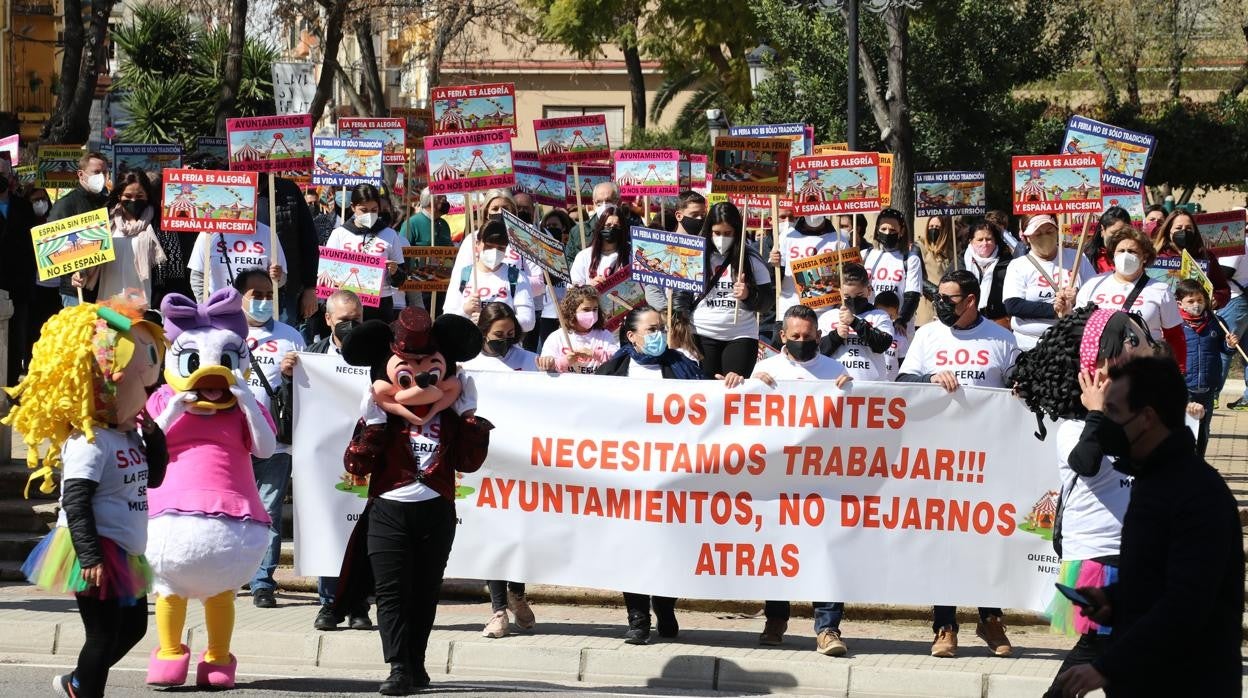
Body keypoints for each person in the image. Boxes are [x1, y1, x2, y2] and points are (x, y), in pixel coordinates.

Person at [1052, 357, 1244, 698]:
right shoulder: (1151, 479)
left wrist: (1104, 668)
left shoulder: (1198, 494)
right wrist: (1112, 600)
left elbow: (1185, 605)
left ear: (1147, 418)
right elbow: (1154, 582)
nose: (1101, 423)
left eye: (1111, 412)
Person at [10, 297, 167, 698]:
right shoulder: (88, 443)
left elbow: (155, 479)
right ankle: (85, 688)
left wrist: (154, 438)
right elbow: (75, 502)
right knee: (101, 635)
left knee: (133, 629)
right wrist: (91, 556)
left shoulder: (129, 432)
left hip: (126, 544)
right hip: (96, 549)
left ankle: (77, 682)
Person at [335, 307, 491, 695]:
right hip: (388, 509)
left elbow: (469, 463)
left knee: (424, 590)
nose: (419, 383)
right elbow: (356, 463)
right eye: (406, 371)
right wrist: (371, 427)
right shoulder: (382, 419)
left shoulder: (452, 420)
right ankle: (399, 666)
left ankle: (417, 664)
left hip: (436, 509)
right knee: (391, 591)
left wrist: (470, 418)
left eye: (430, 371)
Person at [1012, 306, 1157, 696]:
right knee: (1097, 648)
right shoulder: (1077, 427)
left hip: (1135, 551)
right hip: (1098, 554)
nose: (1145, 347)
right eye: (1132, 340)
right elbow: (1087, 463)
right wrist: (1096, 410)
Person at [898, 269, 1019, 658]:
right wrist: (929, 377)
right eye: (939, 299)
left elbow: (1019, 381)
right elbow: (901, 383)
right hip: (940, 457)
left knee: (985, 540)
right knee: (944, 542)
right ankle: (945, 625)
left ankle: (990, 619)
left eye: (949, 299)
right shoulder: (929, 335)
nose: (941, 306)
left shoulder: (1001, 338)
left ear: (970, 301)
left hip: (989, 456)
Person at [721, 305, 854, 656]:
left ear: (818, 337)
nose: (800, 342)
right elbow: (745, 417)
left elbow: (856, 421)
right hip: (777, 479)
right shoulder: (765, 369)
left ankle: (827, 628)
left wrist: (853, 392)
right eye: (794, 337)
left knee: (827, 553)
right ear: (782, 336)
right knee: (778, 549)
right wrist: (745, 385)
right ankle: (776, 619)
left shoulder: (835, 370)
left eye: (807, 337)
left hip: (822, 479)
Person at [596, 307, 702, 644]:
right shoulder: (614, 371)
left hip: (672, 476)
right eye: (652, 328)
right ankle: (638, 619)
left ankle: (665, 606)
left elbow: (708, 408)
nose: (659, 333)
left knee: (669, 546)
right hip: (627, 478)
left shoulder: (685, 367)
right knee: (632, 548)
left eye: (662, 327)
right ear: (632, 336)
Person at [284, 290, 373, 631]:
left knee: (361, 533)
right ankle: (328, 604)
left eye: (357, 321)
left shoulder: (376, 355)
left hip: (364, 457)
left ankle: (359, 606)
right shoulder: (313, 357)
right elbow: (294, 411)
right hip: (324, 462)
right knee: (327, 527)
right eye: (344, 321)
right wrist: (290, 378)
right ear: (328, 320)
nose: (351, 327)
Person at [457, 302, 539, 637]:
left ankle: (517, 593)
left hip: (521, 462)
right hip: (484, 462)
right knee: (493, 534)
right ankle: (498, 610)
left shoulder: (528, 361)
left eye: (509, 335)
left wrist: (552, 367)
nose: (504, 341)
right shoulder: (467, 365)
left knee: (516, 534)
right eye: (497, 336)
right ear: (482, 334)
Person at [229, 269, 308, 610]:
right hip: (231, 440)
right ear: (239, 297)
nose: (263, 301)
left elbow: (309, 388)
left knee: (268, 513)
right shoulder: (226, 334)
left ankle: (263, 580)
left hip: (276, 441)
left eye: (268, 294)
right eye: (255, 295)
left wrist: (294, 373)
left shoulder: (292, 336)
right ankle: (230, 576)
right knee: (230, 511)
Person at [685, 201, 775, 379]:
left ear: (737, 232)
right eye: (717, 233)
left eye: (728, 233)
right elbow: (681, 295)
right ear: (708, 230)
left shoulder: (751, 260)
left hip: (740, 336)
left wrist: (749, 295)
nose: (721, 238)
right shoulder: (694, 255)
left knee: (734, 394)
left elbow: (767, 302)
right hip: (701, 334)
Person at [1075, 227, 1185, 363]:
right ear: (1113, 255)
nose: (1126, 255)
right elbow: (1078, 326)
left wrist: (1179, 372)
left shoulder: (1160, 290)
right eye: (1121, 251)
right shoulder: (1092, 285)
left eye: (1132, 251)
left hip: (1144, 370)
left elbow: (1175, 337)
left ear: (1144, 257)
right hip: (1100, 369)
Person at [68, 168, 164, 307]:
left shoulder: (160, 225)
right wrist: (81, 275)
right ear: (119, 196)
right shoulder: (103, 222)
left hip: (145, 311)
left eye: (139, 196)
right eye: (128, 196)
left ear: (147, 195)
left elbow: (173, 273)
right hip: (106, 308)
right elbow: (88, 260)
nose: (133, 200)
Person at [1002, 215, 1095, 350]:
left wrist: (1078, 297)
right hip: (1029, 345)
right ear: (1027, 237)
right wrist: (1053, 309)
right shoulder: (1018, 265)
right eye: (1038, 234)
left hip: (1070, 341)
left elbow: (1095, 294)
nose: (1044, 237)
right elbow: (1013, 305)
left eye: (1049, 232)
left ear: (1057, 232)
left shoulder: (1077, 257)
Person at [324, 183, 407, 322]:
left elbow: (401, 280)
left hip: (380, 305)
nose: (369, 214)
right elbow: (326, 275)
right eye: (363, 210)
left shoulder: (390, 235)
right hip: (347, 307)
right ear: (352, 207)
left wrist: (395, 271)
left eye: (374, 210)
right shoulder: (339, 234)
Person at [1175, 279, 1238, 456]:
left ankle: (1199, 463)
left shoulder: (1216, 322)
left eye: (1200, 300)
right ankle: (1182, 464)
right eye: (1191, 301)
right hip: (1184, 386)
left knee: (1203, 429)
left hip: (1208, 386)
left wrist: (1230, 345)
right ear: (1180, 303)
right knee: (1184, 427)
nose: (1196, 305)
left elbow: (1225, 350)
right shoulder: (1175, 324)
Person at [445, 220, 536, 332]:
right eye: (489, 246)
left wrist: (489, 321)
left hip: (504, 347)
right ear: (477, 245)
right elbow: (447, 319)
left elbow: (528, 322)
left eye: (501, 248)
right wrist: (465, 310)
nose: (495, 251)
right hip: (468, 346)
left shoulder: (517, 277)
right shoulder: (463, 275)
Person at [256, 174, 320, 331]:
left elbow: (309, 241)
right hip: (239, 291)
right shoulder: (230, 188)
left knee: (283, 345)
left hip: (284, 292)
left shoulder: (288, 190)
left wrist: (310, 288)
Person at [817, 262, 895, 381]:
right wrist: (836, 336)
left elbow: (882, 344)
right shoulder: (828, 317)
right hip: (835, 384)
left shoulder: (880, 316)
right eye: (847, 297)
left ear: (868, 290)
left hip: (871, 386)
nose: (853, 300)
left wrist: (855, 322)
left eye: (859, 295)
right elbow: (818, 352)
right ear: (840, 292)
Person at [53, 152, 110, 307]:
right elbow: (53, 248)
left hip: (104, 289)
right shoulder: (66, 204)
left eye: (105, 172)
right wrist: (72, 274)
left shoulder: (108, 203)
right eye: (96, 172)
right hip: (75, 291)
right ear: (81, 174)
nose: (102, 176)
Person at [769, 214, 851, 323]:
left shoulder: (840, 240)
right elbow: (774, 277)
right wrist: (774, 264)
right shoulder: (787, 236)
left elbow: (848, 276)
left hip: (825, 314)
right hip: (789, 310)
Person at [0, 156, 38, 384]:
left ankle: (12, 385)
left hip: (19, 288)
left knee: (16, 341)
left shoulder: (24, 207)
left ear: (11, 177)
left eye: (3, 175)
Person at [187, 221, 286, 302]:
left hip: (257, 312)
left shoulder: (268, 233)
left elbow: (281, 281)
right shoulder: (209, 232)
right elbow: (198, 276)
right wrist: (206, 306)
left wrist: (277, 276)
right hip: (219, 311)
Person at [862, 208, 923, 341]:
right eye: (883, 229)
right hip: (870, 324)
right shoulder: (866, 255)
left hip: (897, 329)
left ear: (901, 231)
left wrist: (901, 320)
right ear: (877, 229)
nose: (887, 233)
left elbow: (912, 295)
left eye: (893, 230)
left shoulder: (910, 259)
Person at [1152, 209, 1230, 308]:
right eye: (1178, 228)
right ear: (1169, 231)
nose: (1184, 231)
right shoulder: (1156, 256)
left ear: (1194, 231)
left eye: (1188, 228)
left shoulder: (1205, 256)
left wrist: (1216, 299)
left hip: (1196, 318)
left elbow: (1223, 289)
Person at [538, 285, 619, 374]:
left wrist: (594, 354)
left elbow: (617, 360)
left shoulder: (605, 335)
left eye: (595, 309)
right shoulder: (557, 337)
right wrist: (565, 361)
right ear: (572, 311)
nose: (591, 313)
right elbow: (547, 368)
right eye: (586, 309)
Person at [461, 302, 540, 372]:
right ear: (484, 332)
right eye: (498, 335)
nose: (505, 339)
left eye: (510, 333)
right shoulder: (466, 361)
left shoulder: (531, 360)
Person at [963, 219, 1013, 323]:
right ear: (971, 241)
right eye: (980, 240)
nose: (985, 243)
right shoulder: (960, 262)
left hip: (999, 321)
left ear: (995, 240)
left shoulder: (1008, 263)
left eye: (989, 239)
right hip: (968, 320)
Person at [537, 210, 575, 345]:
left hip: (566, 312)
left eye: (555, 226)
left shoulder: (570, 252)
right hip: (547, 312)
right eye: (548, 226)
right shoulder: (541, 252)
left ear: (563, 228)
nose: (551, 229)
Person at [570, 206, 629, 286]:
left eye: (616, 226)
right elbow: (573, 288)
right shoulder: (584, 256)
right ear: (600, 227)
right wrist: (590, 287)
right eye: (608, 225)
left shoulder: (631, 255)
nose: (611, 229)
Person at [917, 215, 959, 324]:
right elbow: (917, 277)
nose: (933, 229)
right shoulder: (920, 247)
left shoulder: (953, 251)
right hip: (926, 306)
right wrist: (938, 293)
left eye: (937, 227)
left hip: (947, 309)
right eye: (931, 226)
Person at [1082, 206, 1132, 274]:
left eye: (1123, 233)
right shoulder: (1085, 257)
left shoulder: (1134, 255)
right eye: (1113, 233)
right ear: (1102, 230)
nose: (1118, 237)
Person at [873, 290, 906, 377]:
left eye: (890, 316)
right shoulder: (866, 332)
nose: (886, 320)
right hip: (872, 383)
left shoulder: (900, 336)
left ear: (897, 314)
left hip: (892, 386)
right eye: (881, 315)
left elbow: (904, 364)